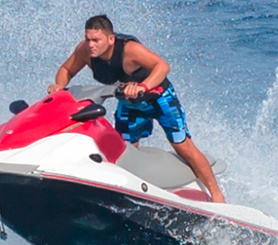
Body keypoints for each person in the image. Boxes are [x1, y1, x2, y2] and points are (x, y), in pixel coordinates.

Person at [47, 15, 227, 203]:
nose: (91, 44)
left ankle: (216, 194)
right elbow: (66, 70)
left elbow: (163, 66)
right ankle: (133, 195)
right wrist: (59, 85)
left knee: (183, 146)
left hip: (160, 99)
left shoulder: (130, 50)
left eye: (96, 40)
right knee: (123, 152)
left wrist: (143, 86)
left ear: (110, 39)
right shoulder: (84, 51)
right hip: (129, 104)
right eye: (88, 39)